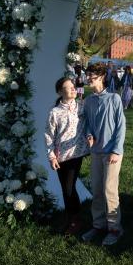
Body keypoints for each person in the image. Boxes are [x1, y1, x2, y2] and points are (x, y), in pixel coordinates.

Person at [81, 63, 126, 246]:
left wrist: (116, 150)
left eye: (92, 75)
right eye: (88, 75)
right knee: (97, 189)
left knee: (109, 190)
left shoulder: (114, 98)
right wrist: (89, 134)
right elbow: (88, 123)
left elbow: (121, 126)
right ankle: (98, 225)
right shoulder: (89, 101)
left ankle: (115, 228)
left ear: (101, 77)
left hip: (112, 153)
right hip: (96, 153)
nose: (88, 78)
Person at [44, 77, 92, 235]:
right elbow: (49, 136)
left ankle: (75, 220)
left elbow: (91, 124)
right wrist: (52, 157)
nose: (73, 89)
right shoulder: (55, 112)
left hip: (76, 154)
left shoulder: (82, 107)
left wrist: (91, 135)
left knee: (68, 187)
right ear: (59, 91)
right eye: (68, 87)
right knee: (66, 189)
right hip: (60, 157)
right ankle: (70, 217)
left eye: (73, 86)